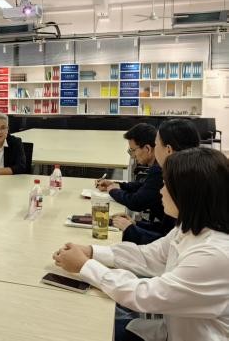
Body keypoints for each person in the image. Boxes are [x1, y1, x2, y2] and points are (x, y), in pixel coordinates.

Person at [52, 147, 229, 341]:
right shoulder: (190, 227)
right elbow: (148, 256)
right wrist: (92, 251)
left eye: (166, 185)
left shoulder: (214, 255)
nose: (161, 191)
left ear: (188, 194)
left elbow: (145, 295)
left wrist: (85, 265)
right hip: (171, 330)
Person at [112, 119, 201, 244]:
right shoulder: (192, 175)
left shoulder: (179, 183)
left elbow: (168, 244)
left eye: (156, 144)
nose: (161, 190)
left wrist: (131, 229)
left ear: (168, 150)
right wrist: (135, 224)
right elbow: (168, 231)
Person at [96, 123, 165, 240]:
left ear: (147, 149)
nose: (132, 156)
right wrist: (119, 185)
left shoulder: (159, 169)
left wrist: (113, 190)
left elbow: (136, 202)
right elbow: (145, 186)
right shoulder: (157, 166)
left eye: (133, 150)